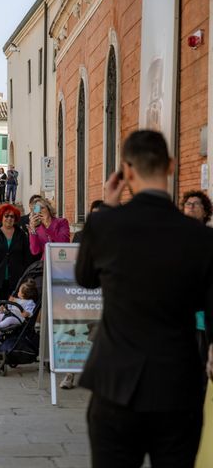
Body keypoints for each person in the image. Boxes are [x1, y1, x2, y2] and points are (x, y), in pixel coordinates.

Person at [76, 130, 213, 468]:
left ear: (126, 171)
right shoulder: (201, 237)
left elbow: (84, 278)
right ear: (171, 165)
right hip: (178, 383)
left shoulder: (105, 225)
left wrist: (106, 207)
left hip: (114, 381)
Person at [181, 189, 213, 389]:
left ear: (205, 211)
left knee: (200, 370)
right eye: (188, 204)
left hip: (201, 320)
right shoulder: (175, 238)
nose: (191, 207)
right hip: (179, 318)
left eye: (196, 204)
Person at [0, 203, 30, 303]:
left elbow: (27, 256)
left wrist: (25, 275)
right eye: (6, 216)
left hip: (16, 277)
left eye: (12, 216)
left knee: (14, 307)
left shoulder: (21, 235)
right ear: (1, 217)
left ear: (15, 218)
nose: (9, 218)